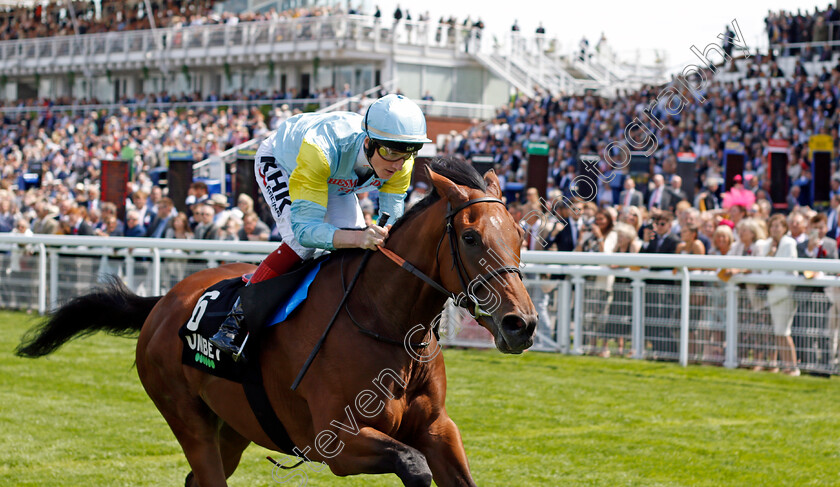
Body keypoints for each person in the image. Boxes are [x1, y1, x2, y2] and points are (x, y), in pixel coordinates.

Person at [210, 94, 431, 360]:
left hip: (335, 176)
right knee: (301, 244)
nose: (397, 165)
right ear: (369, 142)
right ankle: (236, 320)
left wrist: (368, 236)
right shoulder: (321, 149)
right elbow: (306, 232)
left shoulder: (401, 162)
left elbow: (390, 226)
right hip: (286, 164)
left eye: (407, 154)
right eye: (390, 152)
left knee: (361, 247)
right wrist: (359, 237)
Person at [758, 214, 799, 376]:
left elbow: (790, 268)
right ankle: (787, 366)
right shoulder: (767, 244)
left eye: (778, 226)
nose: (774, 229)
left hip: (785, 293)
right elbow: (763, 269)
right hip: (773, 293)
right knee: (778, 332)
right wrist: (771, 253)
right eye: (772, 226)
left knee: (784, 331)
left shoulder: (789, 243)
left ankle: (793, 366)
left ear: (784, 228)